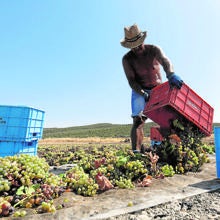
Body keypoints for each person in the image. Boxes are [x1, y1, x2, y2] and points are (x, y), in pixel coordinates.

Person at [120, 24, 183, 154]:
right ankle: (136, 153)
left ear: (142, 40)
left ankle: (172, 151)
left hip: (158, 89)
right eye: (133, 46)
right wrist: (142, 93)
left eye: (138, 44)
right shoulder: (127, 59)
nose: (136, 48)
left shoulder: (153, 49)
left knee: (167, 120)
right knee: (138, 120)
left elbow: (165, 61)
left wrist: (171, 74)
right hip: (139, 90)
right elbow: (131, 81)